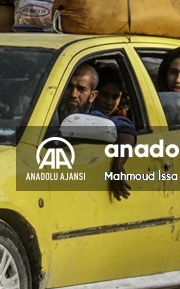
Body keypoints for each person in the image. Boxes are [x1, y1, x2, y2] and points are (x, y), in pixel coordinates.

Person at [56, 63, 136, 201]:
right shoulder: (44, 110)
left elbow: (126, 132)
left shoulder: (95, 118)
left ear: (92, 95)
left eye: (81, 89)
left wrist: (118, 164)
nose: (73, 94)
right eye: (69, 86)